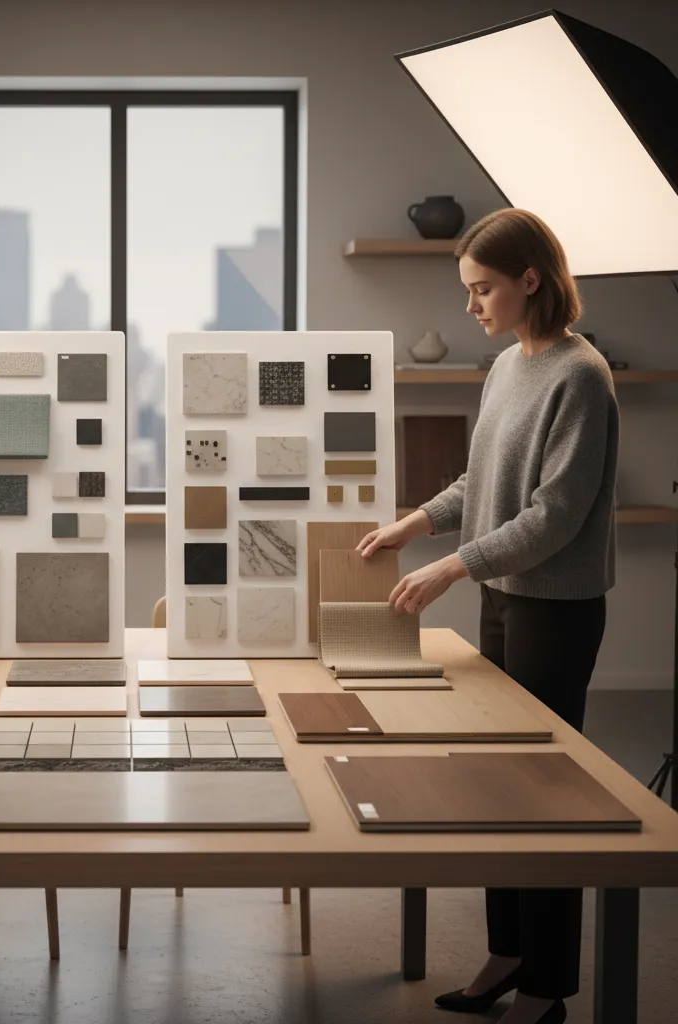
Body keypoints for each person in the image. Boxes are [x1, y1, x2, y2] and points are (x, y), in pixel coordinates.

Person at [356, 208, 618, 1024]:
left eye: (482, 289)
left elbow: (553, 517)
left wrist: (452, 565)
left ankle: (547, 986)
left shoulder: (582, 376)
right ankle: (508, 951)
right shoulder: (507, 366)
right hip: (504, 600)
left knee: (544, 797)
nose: (472, 306)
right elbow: (480, 486)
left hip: (557, 610)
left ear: (529, 280)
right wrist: (414, 523)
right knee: (496, 786)